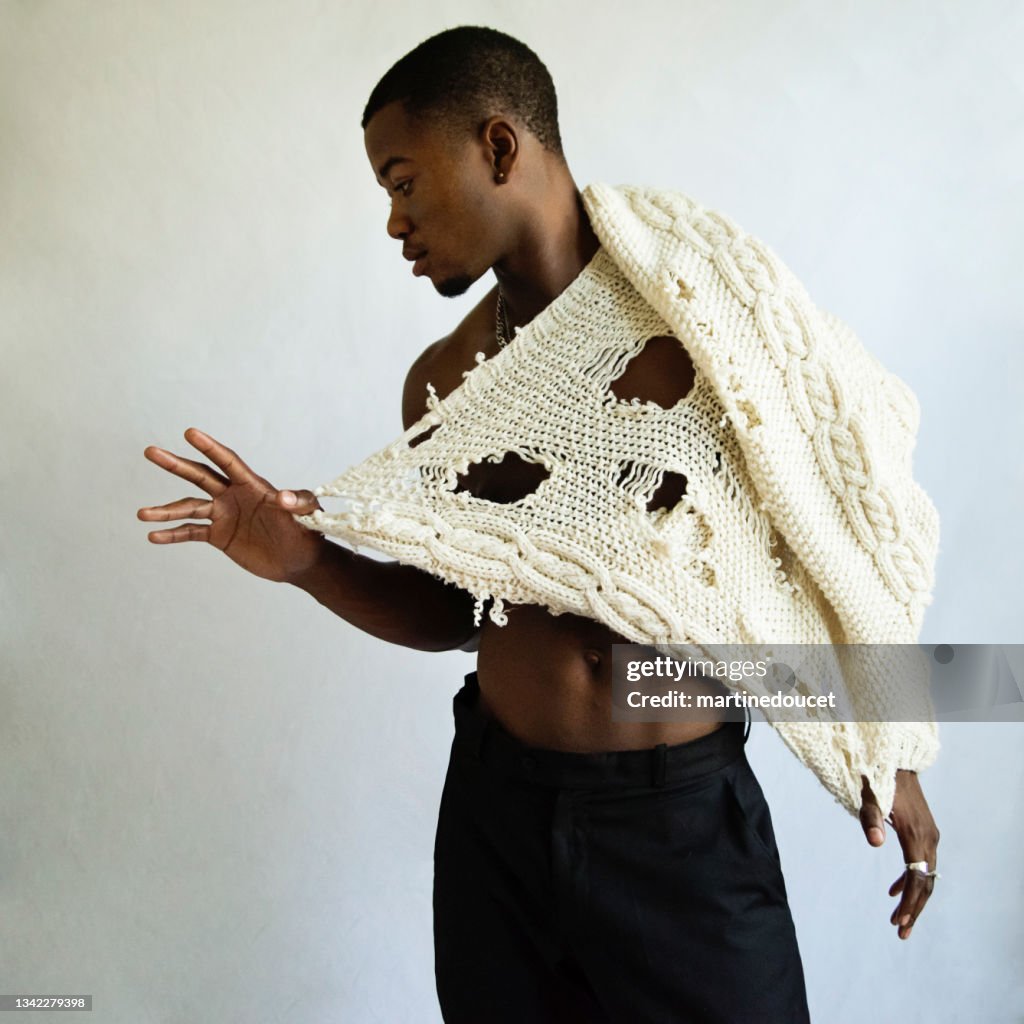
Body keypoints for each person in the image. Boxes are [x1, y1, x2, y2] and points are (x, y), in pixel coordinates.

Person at [138, 26, 941, 1023]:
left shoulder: (700, 317)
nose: (393, 220)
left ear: (498, 148)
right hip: (495, 815)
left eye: (402, 180)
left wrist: (888, 744)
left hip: (675, 823)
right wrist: (304, 558)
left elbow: (832, 528)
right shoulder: (444, 383)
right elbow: (456, 612)